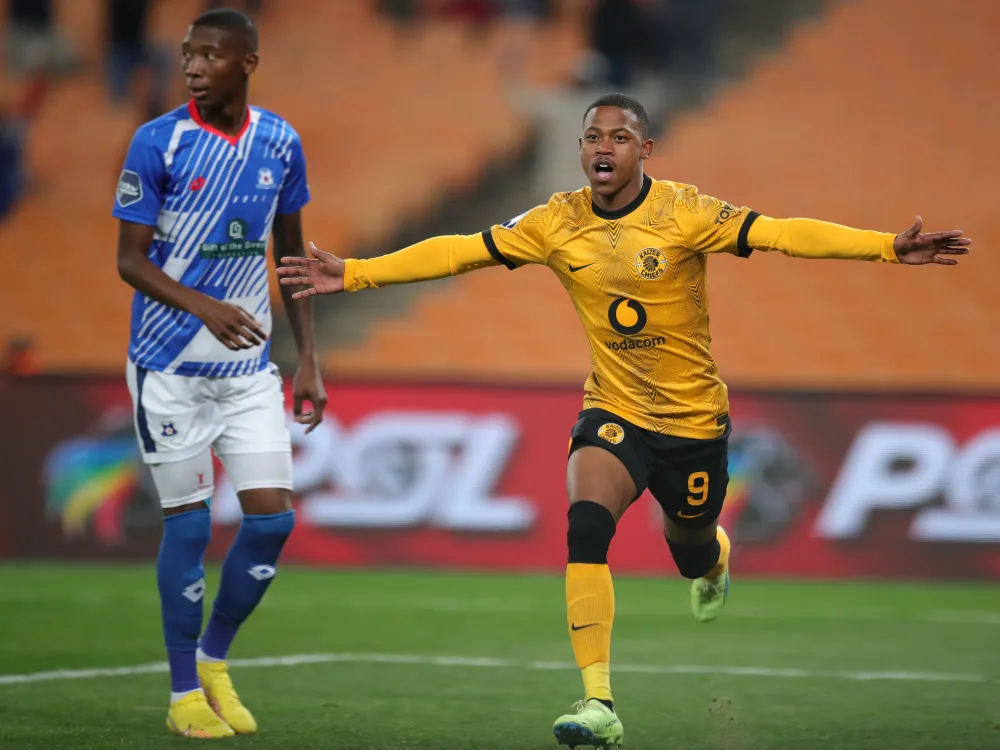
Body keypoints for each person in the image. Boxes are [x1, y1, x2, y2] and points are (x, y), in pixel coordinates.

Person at [276, 93, 970, 749]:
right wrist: (357, 273)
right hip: (614, 409)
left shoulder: (686, 212)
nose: (603, 148)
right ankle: (598, 703)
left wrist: (887, 246)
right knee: (586, 526)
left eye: (619, 137)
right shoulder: (556, 221)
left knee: (689, 547)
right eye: (592, 137)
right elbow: (462, 249)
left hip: (693, 423)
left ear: (645, 149)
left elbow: (784, 234)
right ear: (581, 149)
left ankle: (713, 559)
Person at [113, 8, 326, 739]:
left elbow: (291, 259)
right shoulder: (158, 141)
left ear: (248, 63)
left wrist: (308, 360)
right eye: (187, 54)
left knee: (272, 521)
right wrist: (204, 306)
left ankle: (213, 662)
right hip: (168, 367)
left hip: (248, 371)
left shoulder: (280, 141)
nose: (193, 66)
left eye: (209, 54)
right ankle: (181, 696)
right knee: (191, 523)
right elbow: (129, 260)